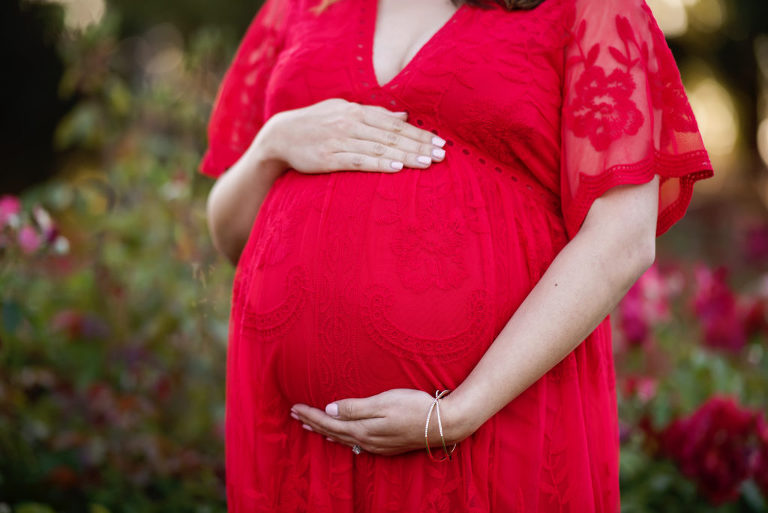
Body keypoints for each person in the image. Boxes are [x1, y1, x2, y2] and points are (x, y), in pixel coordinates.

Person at [199, 0, 714, 510]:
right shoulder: (297, 8)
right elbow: (230, 234)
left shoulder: (587, 6)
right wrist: (272, 143)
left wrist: (459, 412)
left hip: (490, 426)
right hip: (298, 443)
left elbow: (622, 236)